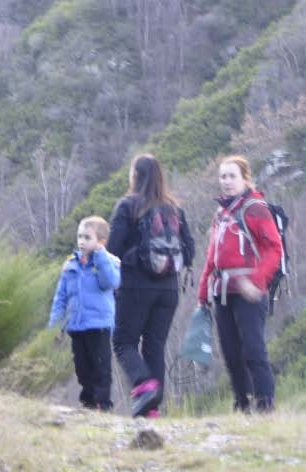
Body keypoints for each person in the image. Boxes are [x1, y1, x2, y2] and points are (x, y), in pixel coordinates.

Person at [106, 153, 194, 417]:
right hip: (169, 289)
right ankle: (152, 411)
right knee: (155, 346)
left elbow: (112, 250)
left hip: (135, 287)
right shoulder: (175, 210)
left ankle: (144, 387)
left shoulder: (128, 205)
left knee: (123, 342)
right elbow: (189, 252)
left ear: (135, 176)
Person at [197, 155, 282, 413]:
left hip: (250, 292)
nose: (226, 181)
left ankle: (265, 404)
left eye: (232, 176)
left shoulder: (256, 208)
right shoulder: (221, 213)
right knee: (231, 353)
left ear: (245, 178)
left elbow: (274, 249)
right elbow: (213, 254)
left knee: (253, 350)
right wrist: (203, 289)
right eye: (223, 176)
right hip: (222, 291)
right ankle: (242, 404)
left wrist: (256, 281)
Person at [48, 215, 121, 411]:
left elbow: (111, 283)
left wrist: (101, 256)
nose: (82, 241)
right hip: (76, 326)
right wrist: (56, 326)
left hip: (99, 326)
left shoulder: (107, 263)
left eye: (87, 237)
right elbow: (60, 297)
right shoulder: (70, 265)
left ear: (101, 241)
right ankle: (88, 403)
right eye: (80, 236)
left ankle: (103, 404)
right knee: (82, 369)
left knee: (101, 368)